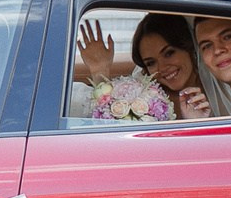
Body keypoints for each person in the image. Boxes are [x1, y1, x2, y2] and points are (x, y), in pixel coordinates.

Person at [75, 11, 215, 121]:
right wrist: (99, 70)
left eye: (169, 53)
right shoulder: (143, 97)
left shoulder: (219, 85)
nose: (162, 67)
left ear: (188, 48)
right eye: (151, 62)